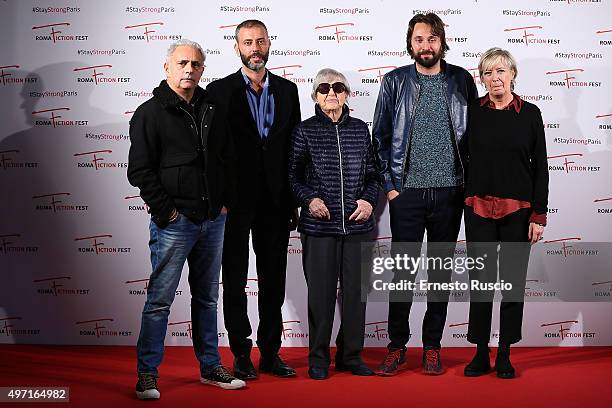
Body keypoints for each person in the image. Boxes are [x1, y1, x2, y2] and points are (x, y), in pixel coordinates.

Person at [128, 39, 245, 399]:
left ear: (202, 69)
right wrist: (168, 211)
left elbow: (228, 160)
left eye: (195, 64)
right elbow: (140, 171)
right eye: (182, 63)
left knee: (207, 299)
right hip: (174, 223)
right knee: (160, 301)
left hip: (213, 221)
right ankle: (147, 374)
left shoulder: (213, 108)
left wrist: (223, 204)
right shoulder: (149, 113)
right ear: (167, 68)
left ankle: (210, 367)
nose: (189, 69)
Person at [372, 13, 478, 376]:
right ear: (410, 43)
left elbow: (474, 138)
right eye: (419, 39)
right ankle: (397, 346)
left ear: (441, 41)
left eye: (432, 39)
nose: (426, 46)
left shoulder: (462, 80)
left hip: (450, 193)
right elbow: (380, 138)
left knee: (440, 274)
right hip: (408, 194)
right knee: (402, 273)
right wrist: (391, 187)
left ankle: (431, 346)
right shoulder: (395, 81)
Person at [206, 20, 301, 380]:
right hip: (233, 203)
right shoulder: (218, 91)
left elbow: (295, 151)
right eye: (248, 42)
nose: (255, 48)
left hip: (276, 203)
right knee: (234, 279)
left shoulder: (289, 91)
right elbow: (212, 152)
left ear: (269, 43)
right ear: (237, 48)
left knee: (273, 279)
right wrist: (219, 198)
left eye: (260, 41)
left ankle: (272, 353)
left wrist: (293, 199)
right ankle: (241, 353)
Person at [288, 69, 380, 380]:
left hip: (357, 229)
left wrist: (368, 201)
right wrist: (310, 199)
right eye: (324, 88)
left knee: (355, 295)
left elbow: (373, 175)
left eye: (338, 87)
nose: (331, 93)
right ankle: (318, 359)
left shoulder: (359, 130)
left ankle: (351, 356)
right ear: (315, 95)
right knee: (321, 297)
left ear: (347, 93)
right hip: (319, 229)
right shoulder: (305, 130)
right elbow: (293, 176)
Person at [463, 47, 548, 379]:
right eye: (487, 72)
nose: (494, 78)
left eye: (500, 71)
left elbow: (540, 167)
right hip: (479, 209)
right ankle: (481, 352)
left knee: (512, 285)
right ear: (481, 78)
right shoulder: (473, 111)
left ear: (513, 74)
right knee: (480, 284)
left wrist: (538, 215)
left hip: (519, 212)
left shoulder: (529, 113)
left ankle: (506, 353)